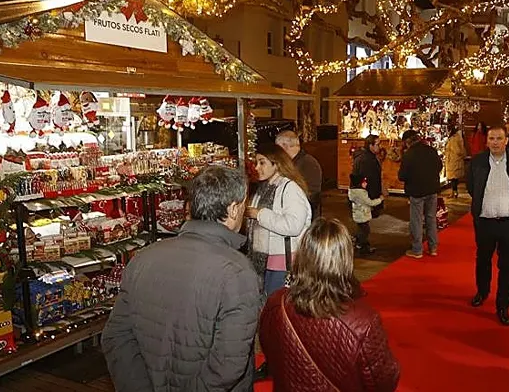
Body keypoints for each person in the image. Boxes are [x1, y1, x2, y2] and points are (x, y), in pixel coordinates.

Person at [103, 166, 261, 392]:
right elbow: (227, 366)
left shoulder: (143, 258)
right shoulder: (238, 272)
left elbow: (117, 337)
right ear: (234, 209)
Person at [259, 218, 400, 392]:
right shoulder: (363, 322)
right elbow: (384, 381)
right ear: (345, 259)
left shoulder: (276, 303)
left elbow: (270, 351)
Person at [467, 126, 509, 326]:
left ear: (506, 140)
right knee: (483, 260)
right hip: (485, 221)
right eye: (492, 138)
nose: (495, 142)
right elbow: (471, 186)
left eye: (499, 138)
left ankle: (503, 305)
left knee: (507, 266)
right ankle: (482, 291)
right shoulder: (477, 162)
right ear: (487, 141)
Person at [247, 144, 313, 296]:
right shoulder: (264, 188)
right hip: (264, 262)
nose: (257, 167)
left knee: (277, 304)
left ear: (276, 164)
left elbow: (294, 225)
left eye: (262, 162)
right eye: (256, 162)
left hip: (283, 263)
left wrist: (259, 214)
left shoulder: (289, 189)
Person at [399, 129, 443, 258]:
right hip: (432, 189)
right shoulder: (431, 150)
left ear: (407, 142)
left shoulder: (409, 155)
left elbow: (402, 175)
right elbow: (439, 166)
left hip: (416, 190)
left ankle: (417, 249)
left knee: (416, 220)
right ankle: (433, 247)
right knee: (431, 218)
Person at [276, 129, 324, 218]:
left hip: (304, 216)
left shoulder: (308, 163)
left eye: (278, 149)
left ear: (284, 146)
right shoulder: (292, 162)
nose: (277, 153)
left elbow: (311, 195)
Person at [350, 135, 384, 252]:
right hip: (365, 195)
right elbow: (370, 179)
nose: (379, 147)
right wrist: (376, 198)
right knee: (364, 224)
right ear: (370, 146)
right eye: (377, 144)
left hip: (363, 195)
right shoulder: (366, 160)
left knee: (363, 223)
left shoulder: (367, 158)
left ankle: (360, 241)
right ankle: (361, 243)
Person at [444, 126, 467, 198]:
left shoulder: (453, 139)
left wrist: (449, 151)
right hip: (454, 160)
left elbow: (457, 150)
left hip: (453, 160)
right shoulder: (456, 137)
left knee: (453, 177)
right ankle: (454, 192)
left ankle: (454, 192)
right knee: (454, 177)